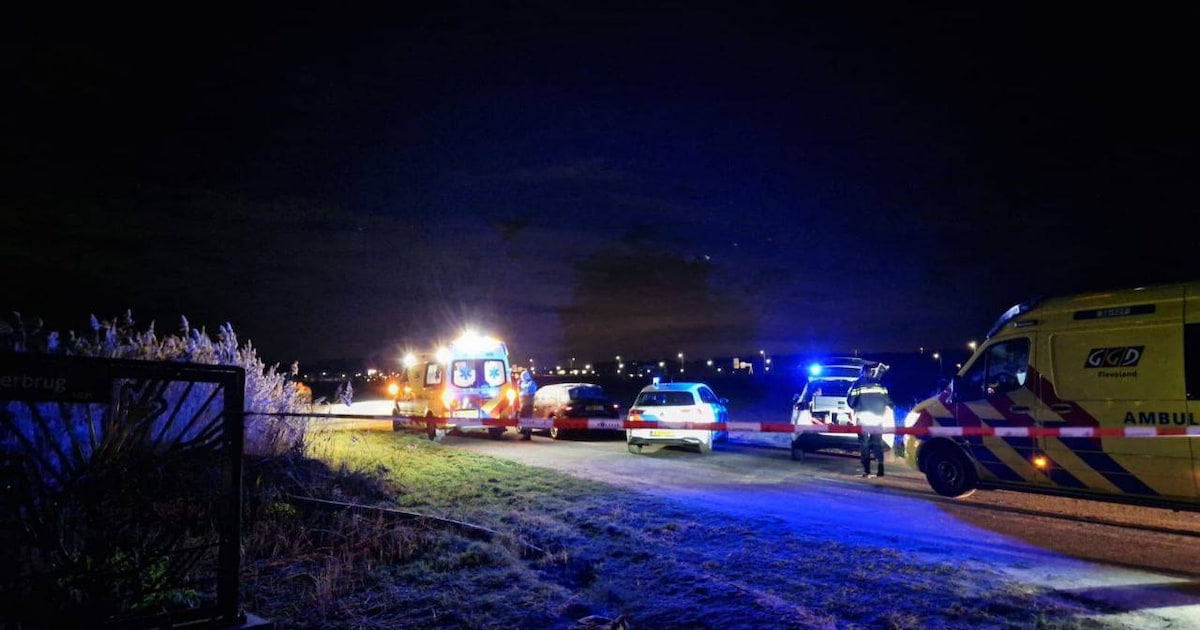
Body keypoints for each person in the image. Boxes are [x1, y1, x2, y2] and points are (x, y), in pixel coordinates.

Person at [846, 361, 893, 478]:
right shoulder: (879, 384)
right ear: (871, 372)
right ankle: (880, 468)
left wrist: (856, 407)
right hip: (877, 418)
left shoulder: (857, 384)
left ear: (862, 372)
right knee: (877, 443)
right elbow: (888, 401)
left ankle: (867, 470)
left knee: (864, 444)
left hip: (863, 418)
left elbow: (850, 402)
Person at [518, 369, 538, 440]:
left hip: (528, 404)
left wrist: (521, 387)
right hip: (524, 404)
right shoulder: (524, 383)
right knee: (522, 418)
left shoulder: (531, 383)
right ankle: (525, 433)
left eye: (522, 377)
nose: (521, 378)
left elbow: (528, 391)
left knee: (527, 419)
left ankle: (527, 434)